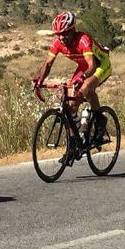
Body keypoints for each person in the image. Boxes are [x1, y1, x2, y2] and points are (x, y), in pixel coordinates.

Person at [34, 11, 112, 163]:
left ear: (73, 30)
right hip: (84, 67)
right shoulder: (57, 43)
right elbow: (48, 64)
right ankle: (75, 143)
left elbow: (91, 65)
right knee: (70, 105)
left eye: (64, 34)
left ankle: (100, 121)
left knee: (86, 87)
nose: (61, 37)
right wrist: (39, 81)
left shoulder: (83, 40)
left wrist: (82, 78)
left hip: (100, 64)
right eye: (58, 34)